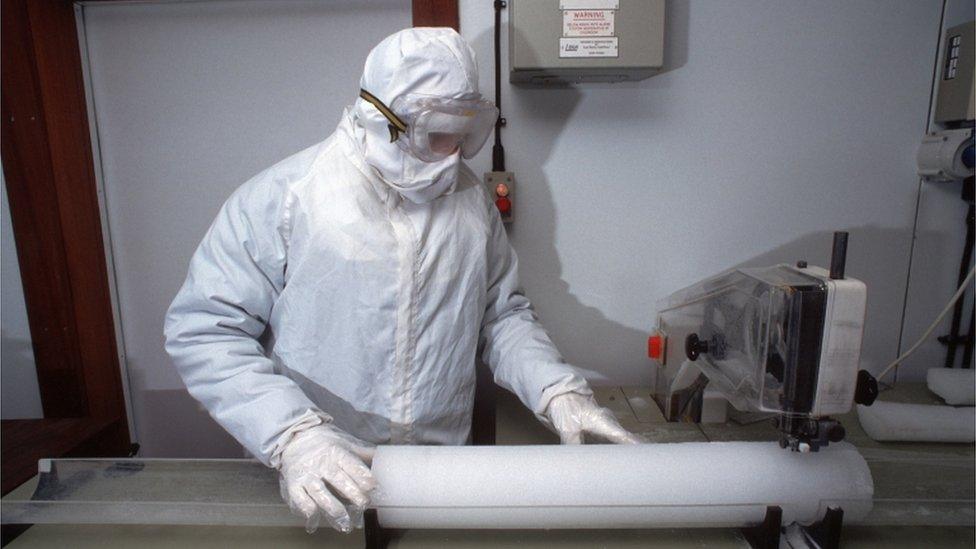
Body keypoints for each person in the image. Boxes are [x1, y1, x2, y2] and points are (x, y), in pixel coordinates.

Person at [164, 27, 643, 534]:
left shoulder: (469, 202)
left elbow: (500, 315)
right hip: (316, 473)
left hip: (436, 475)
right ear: (381, 118)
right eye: (436, 133)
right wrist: (294, 435)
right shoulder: (285, 199)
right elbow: (206, 331)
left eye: (463, 133)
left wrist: (556, 390)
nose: (454, 153)